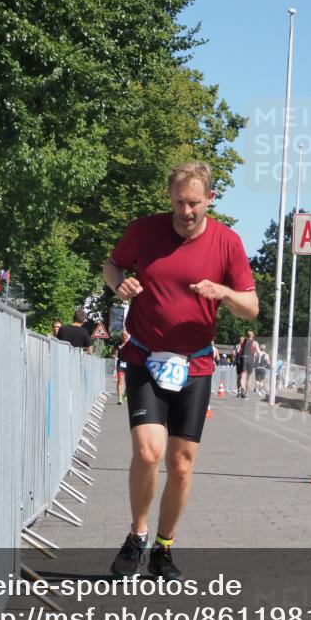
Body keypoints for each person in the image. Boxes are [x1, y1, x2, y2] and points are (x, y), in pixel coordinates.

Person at [102, 161, 258, 580]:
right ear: (169, 197)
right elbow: (111, 266)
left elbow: (251, 306)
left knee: (182, 464)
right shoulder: (145, 230)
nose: (185, 212)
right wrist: (120, 284)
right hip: (144, 356)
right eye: (178, 203)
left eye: (193, 204)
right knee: (147, 451)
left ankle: (163, 548)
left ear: (210, 199)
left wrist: (223, 292)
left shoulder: (227, 242)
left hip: (196, 365)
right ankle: (137, 535)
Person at [113, 329, 130, 405]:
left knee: (129, 381)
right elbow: (113, 350)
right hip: (121, 363)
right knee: (120, 380)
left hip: (130, 364)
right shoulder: (118, 343)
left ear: (128, 336)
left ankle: (126, 393)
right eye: (122, 336)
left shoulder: (130, 343)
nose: (124, 337)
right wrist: (113, 355)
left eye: (125, 336)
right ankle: (120, 399)